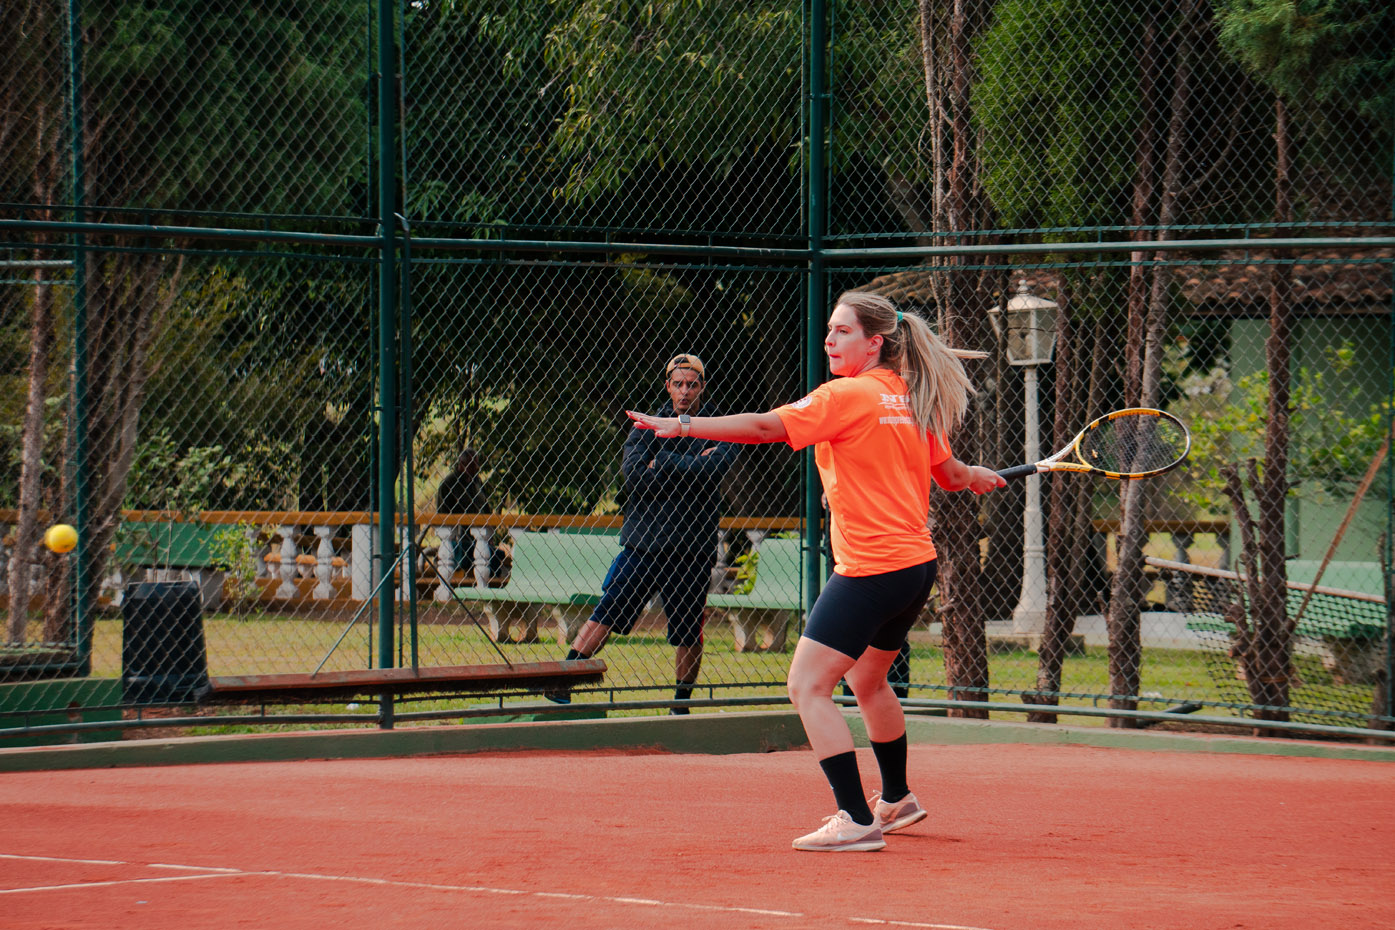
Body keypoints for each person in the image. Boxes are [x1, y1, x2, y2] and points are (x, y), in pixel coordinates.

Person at [627, 292, 1004, 851]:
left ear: (874, 343)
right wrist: (975, 474)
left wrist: (684, 426)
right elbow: (949, 474)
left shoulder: (845, 395)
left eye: (843, 331)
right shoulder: (911, 396)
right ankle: (897, 798)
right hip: (914, 569)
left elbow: (765, 428)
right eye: (829, 329)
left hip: (873, 569)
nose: (829, 339)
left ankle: (856, 818)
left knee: (806, 685)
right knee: (867, 680)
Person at [550, 354, 739, 712]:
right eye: (678, 384)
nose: (684, 391)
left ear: (702, 387)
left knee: (688, 630)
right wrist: (693, 466)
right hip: (644, 543)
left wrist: (662, 462)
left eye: (692, 384)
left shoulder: (720, 425)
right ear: (668, 386)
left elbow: (717, 468)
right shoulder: (645, 425)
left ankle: (680, 705)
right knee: (608, 610)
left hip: (692, 547)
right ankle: (563, 683)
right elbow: (635, 476)